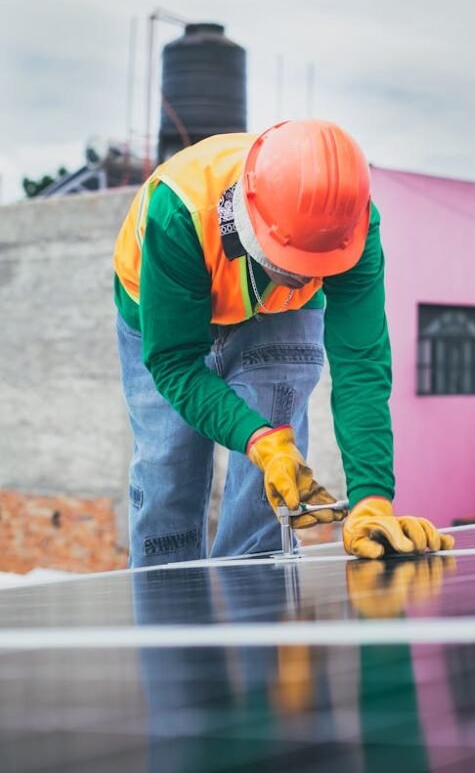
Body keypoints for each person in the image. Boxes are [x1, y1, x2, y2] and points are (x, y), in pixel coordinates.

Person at [113, 119, 453, 565]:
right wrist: (256, 439)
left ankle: (257, 610)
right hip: (158, 308)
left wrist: (372, 497)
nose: (309, 277)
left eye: (320, 268)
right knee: (167, 470)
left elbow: (360, 364)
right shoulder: (179, 212)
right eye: (295, 266)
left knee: (274, 482)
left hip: (281, 313)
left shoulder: (349, 224)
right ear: (251, 222)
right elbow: (175, 363)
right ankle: (170, 619)